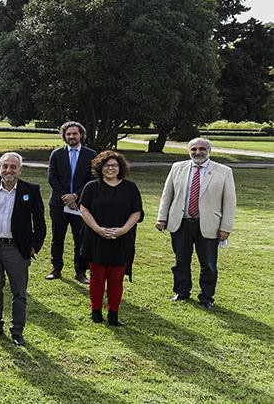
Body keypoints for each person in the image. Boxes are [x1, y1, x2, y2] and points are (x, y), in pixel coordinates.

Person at [0, 152, 45, 347]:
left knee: (19, 293)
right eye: (5, 166)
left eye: (13, 167)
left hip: (17, 249)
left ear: (20, 170)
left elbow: (40, 223)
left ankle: (17, 331)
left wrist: (33, 247)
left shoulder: (30, 190)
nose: (9, 170)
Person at [156, 138, 236, 310]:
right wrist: (162, 217)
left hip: (209, 225)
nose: (197, 152)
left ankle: (206, 297)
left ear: (209, 151)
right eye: (193, 149)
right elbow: (167, 194)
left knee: (208, 264)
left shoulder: (224, 171)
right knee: (181, 261)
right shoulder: (177, 168)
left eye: (202, 149)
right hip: (180, 223)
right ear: (189, 151)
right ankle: (181, 292)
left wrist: (225, 227)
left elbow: (229, 202)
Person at [78, 151, 143, 326]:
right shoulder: (91, 187)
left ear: (120, 167)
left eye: (114, 165)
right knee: (97, 277)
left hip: (121, 239)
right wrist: (98, 229)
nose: (110, 168)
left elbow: (136, 212)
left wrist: (123, 230)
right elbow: (84, 210)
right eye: (107, 165)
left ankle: (113, 314)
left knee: (116, 278)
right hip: (96, 238)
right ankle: (96, 312)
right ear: (100, 167)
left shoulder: (130, 188)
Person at [46, 121, 97, 283]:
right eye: (68, 134)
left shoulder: (91, 155)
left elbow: (93, 179)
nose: (71, 136)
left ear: (81, 135)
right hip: (59, 204)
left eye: (74, 133)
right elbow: (52, 178)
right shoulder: (56, 154)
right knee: (57, 237)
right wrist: (66, 197)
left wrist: (76, 196)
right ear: (64, 136)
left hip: (81, 204)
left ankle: (80, 271)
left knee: (80, 239)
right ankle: (56, 269)